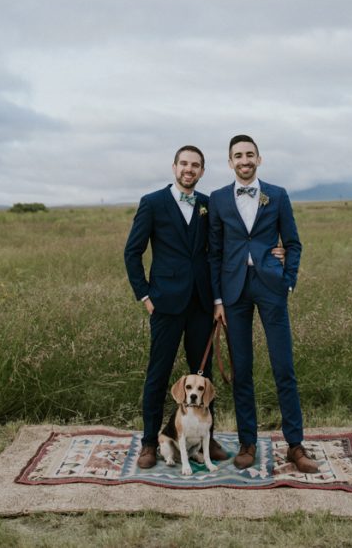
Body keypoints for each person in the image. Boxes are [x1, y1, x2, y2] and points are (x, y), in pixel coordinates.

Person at [208, 134, 319, 473]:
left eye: (249, 154)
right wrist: (217, 299)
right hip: (234, 291)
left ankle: (295, 445)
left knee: (283, 366)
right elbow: (214, 252)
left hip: (271, 287)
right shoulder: (217, 199)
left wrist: (288, 281)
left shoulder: (279, 195)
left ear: (259, 159)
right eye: (238, 155)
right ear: (230, 162)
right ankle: (247, 442)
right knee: (242, 370)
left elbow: (294, 243)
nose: (244, 160)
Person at [124, 145, 227, 468]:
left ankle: (205, 441)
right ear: (174, 167)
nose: (189, 169)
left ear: (202, 171)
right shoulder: (152, 203)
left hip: (200, 304)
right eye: (184, 164)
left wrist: (216, 300)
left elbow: (218, 252)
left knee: (203, 377)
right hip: (165, 304)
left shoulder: (208, 205)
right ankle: (149, 442)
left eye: (195, 165)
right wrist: (145, 295)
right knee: (159, 374)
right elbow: (132, 252)